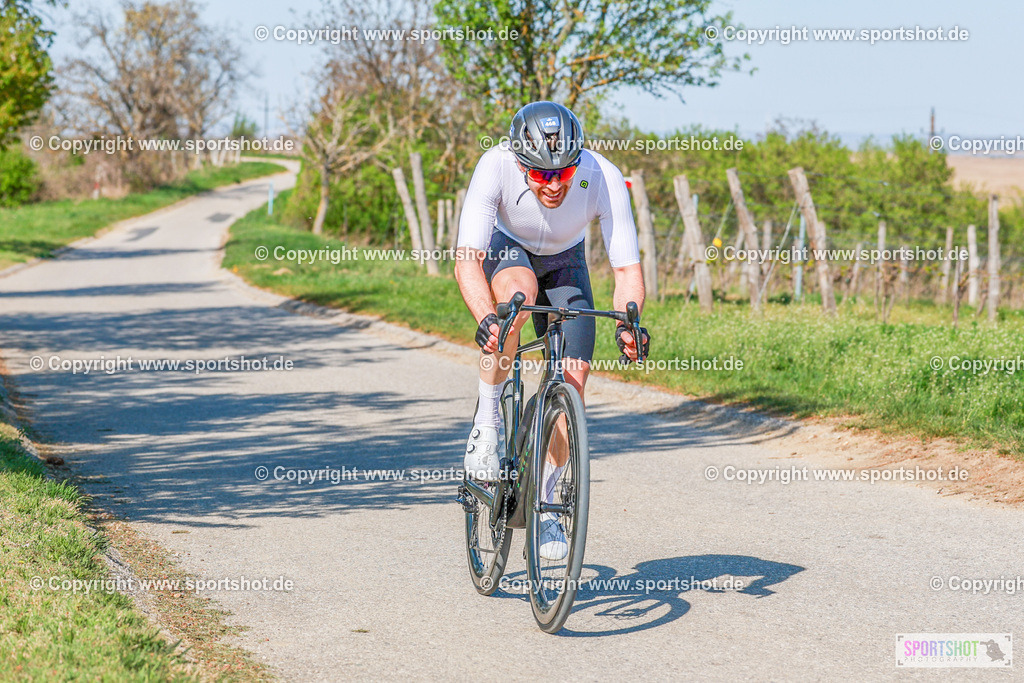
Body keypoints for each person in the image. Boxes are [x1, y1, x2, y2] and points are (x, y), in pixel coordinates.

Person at [454, 101, 649, 559]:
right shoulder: (495, 165)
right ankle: (486, 424)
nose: (555, 185)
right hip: (511, 252)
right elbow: (468, 260)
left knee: (573, 384)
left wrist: (630, 321)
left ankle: (547, 503)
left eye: (563, 172)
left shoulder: (600, 174)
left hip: (566, 263)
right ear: (521, 164)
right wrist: (487, 319)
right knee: (515, 302)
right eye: (541, 175)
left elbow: (627, 271)